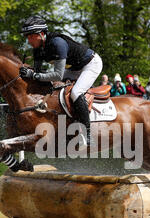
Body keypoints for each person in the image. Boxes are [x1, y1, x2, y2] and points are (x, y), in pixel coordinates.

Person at [19, 15, 103, 145]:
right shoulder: (37, 49)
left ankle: (87, 133)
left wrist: (34, 75)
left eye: (30, 36)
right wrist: (27, 73)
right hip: (75, 68)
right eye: (27, 37)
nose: (28, 40)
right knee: (53, 86)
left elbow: (57, 75)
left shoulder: (57, 43)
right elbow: (38, 72)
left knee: (76, 92)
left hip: (91, 64)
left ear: (41, 34)